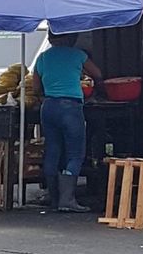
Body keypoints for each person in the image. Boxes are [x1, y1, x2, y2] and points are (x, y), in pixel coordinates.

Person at [33, 31, 104, 213]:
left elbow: (35, 88)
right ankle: (68, 199)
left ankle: (53, 197)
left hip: (48, 107)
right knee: (75, 153)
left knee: (53, 149)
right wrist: (94, 93)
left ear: (49, 38)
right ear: (71, 38)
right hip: (71, 107)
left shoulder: (42, 58)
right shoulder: (78, 55)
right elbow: (98, 74)